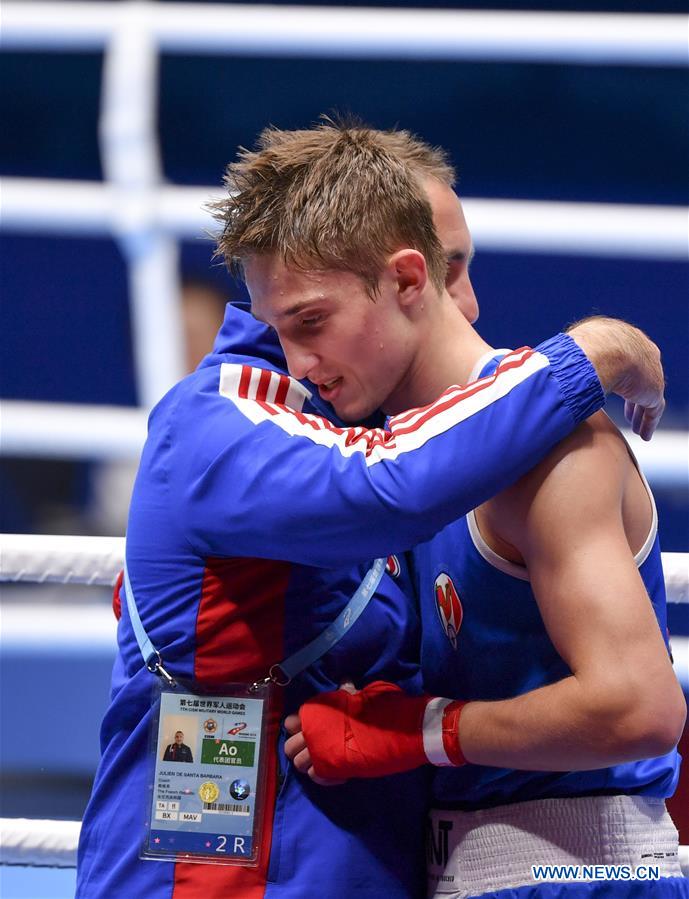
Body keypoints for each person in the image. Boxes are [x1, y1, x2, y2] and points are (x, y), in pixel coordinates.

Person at [77, 120, 668, 899]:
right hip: (208, 861)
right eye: (285, 324)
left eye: (461, 267)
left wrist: (415, 730)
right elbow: (386, 488)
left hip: (432, 865)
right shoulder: (220, 426)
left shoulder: (502, 446)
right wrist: (592, 350)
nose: (468, 302)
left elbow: (638, 711)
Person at [274, 129, 688, 895]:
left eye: (309, 323)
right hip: (456, 865)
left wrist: (417, 729)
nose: (297, 363)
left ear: (412, 279)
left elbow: (640, 707)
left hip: (578, 871)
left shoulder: (552, 452)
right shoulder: (380, 457)